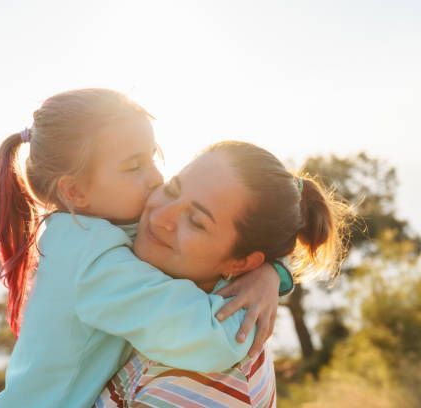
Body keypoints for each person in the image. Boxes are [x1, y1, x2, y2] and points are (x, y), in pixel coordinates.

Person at [0, 89, 293, 407]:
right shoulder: (94, 262)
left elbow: (268, 214)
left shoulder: (93, 226)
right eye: (135, 167)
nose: (156, 179)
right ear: (75, 191)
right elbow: (206, 337)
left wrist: (272, 270)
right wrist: (249, 312)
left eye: (154, 157)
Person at [96, 141, 350, 407]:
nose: (159, 216)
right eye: (172, 190)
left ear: (241, 263)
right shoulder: (163, 285)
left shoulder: (208, 374)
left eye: (196, 222)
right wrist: (275, 271)